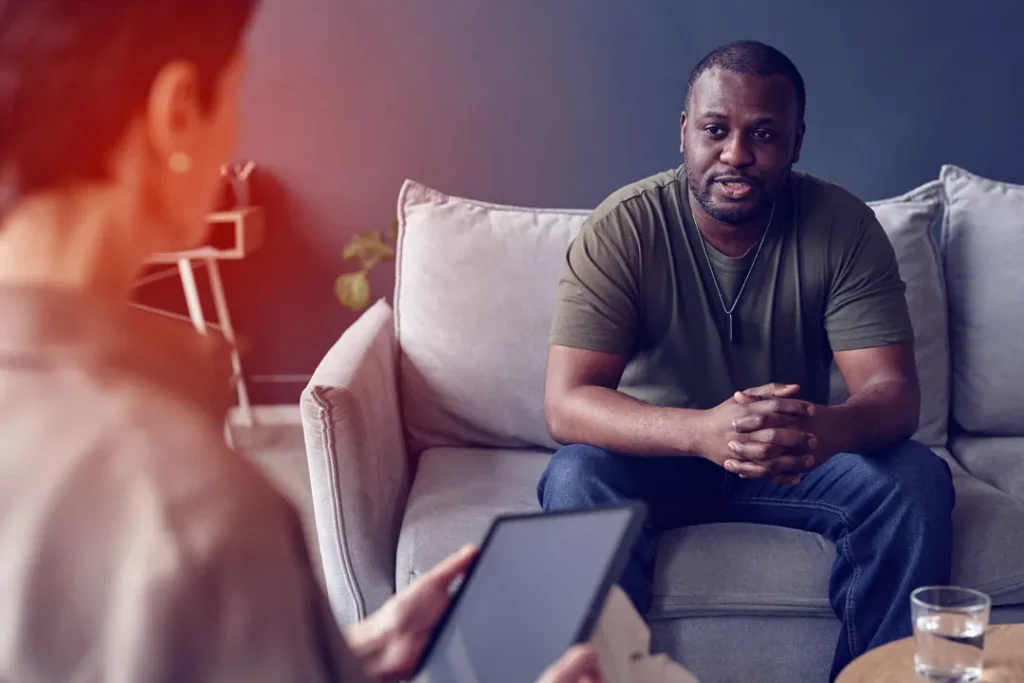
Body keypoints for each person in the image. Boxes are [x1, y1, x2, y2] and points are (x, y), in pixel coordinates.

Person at [0, 2, 599, 682]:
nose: (232, 136)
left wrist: (344, 660)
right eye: (233, 94)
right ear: (176, 114)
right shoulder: (190, 508)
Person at [539, 40, 956, 681]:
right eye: (715, 130)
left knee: (914, 481)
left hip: (794, 459)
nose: (736, 154)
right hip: (662, 456)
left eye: (763, 133)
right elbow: (567, 404)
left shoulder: (842, 226)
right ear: (684, 133)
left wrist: (822, 427)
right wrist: (701, 432)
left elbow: (893, 394)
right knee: (575, 478)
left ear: (796, 141)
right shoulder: (625, 227)